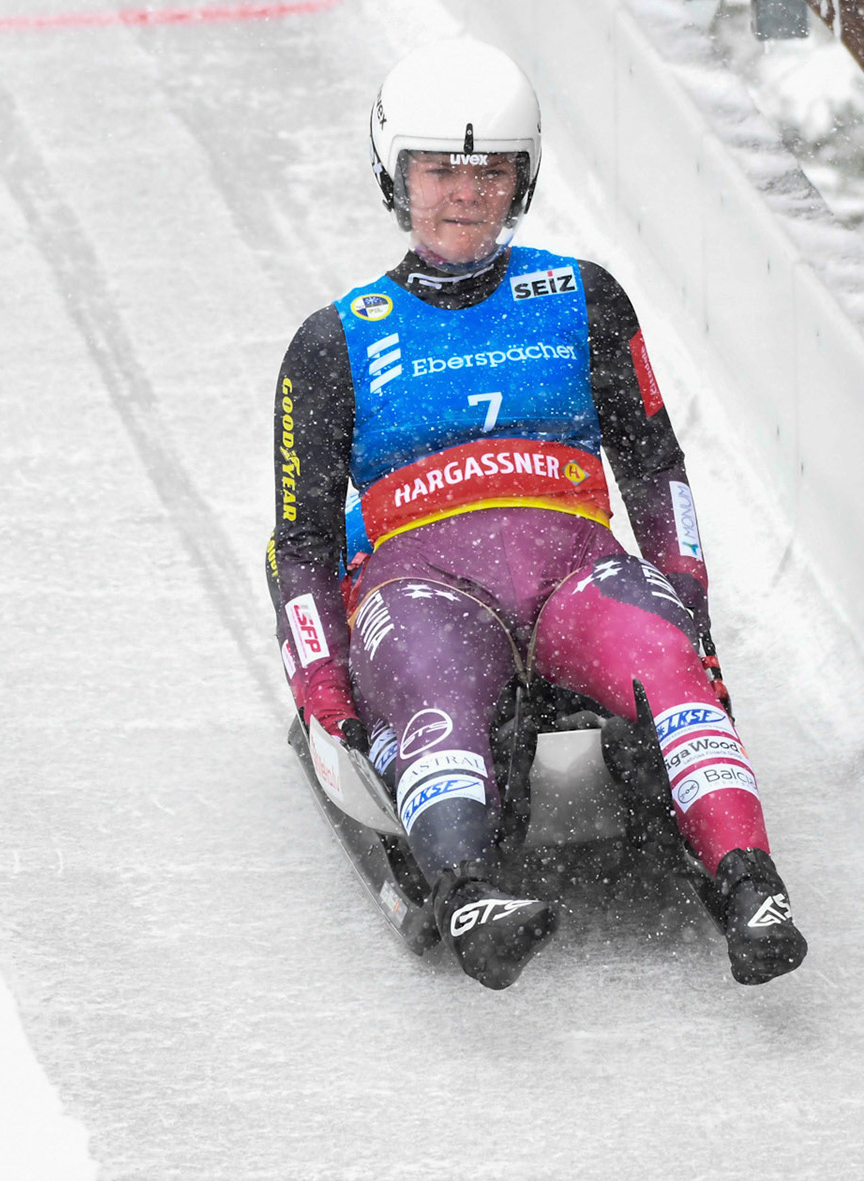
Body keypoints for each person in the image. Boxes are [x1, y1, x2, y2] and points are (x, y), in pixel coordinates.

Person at [267, 38, 807, 991]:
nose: (465, 194)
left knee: (663, 661)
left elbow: (655, 469)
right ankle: (473, 885)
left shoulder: (584, 298)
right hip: (421, 581)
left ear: (524, 178)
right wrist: (322, 687)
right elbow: (302, 538)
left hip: (575, 569)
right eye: (439, 169)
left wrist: (690, 609)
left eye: (491, 171)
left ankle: (749, 881)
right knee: (434, 683)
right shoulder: (333, 340)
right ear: (395, 176)